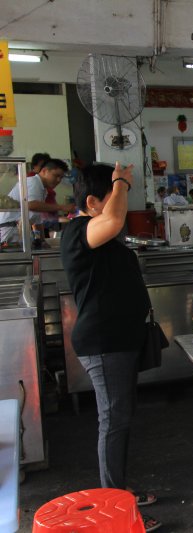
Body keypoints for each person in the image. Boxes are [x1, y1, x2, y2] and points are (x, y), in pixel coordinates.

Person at [59, 163, 161, 532]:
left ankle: (119, 493)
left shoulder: (96, 234)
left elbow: (114, 222)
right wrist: (120, 182)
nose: (121, 202)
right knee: (113, 422)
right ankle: (115, 509)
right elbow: (115, 221)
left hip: (117, 341)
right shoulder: (77, 231)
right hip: (103, 343)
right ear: (91, 202)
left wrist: (118, 187)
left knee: (120, 418)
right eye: (115, 196)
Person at [0, 159, 73, 244]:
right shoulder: (34, 182)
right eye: (56, 175)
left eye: (61, 177)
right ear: (44, 171)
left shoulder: (43, 190)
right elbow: (31, 205)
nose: (58, 180)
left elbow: (36, 219)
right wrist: (62, 207)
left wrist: (41, 240)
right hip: (9, 230)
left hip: (19, 230)